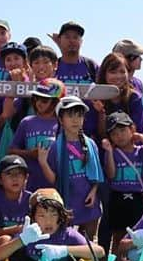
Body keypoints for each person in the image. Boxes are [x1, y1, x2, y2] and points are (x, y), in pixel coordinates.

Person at [0, 188, 104, 261]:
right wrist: (22, 240)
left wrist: (64, 250)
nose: (48, 221)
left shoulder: (67, 234)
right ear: (33, 217)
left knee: (87, 260)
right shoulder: (30, 233)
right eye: (42, 215)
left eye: (53, 214)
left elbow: (100, 251)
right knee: (13, 258)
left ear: (61, 216)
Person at [38, 95, 104, 241]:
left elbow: (97, 174)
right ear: (61, 120)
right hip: (67, 201)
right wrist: (43, 162)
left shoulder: (91, 144)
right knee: (66, 238)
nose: (75, 120)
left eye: (79, 116)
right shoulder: (55, 146)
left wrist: (93, 192)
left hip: (88, 200)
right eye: (70, 116)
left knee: (89, 238)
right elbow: (54, 180)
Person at [101, 111, 143, 253]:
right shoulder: (113, 153)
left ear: (131, 129)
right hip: (118, 197)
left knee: (140, 232)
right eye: (114, 134)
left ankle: (135, 260)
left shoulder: (140, 151)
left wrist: (140, 136)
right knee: (118, 235)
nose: (119, 136)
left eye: (122, 130)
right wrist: (108, 151)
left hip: (138, 197)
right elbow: (111, 174)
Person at [8, 78, 63, 192]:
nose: (39, 103)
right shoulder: (26, 122)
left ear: (56, 102)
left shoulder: (62, 124)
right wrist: (30, 154)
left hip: (55, 185)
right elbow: (11, 151)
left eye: (44, 100)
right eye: (36, 98)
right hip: (30, 185)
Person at [0, 154, 34, 243]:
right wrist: (18, 229)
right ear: (0, 179)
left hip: (26, 244)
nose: (15, 178)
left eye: (19, 173)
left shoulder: (31, 199)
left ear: (26, 178)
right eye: (9, 174)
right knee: (5, 239)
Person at [92, 52, 143, 138]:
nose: (118, 76)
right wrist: (101, 113)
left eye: (122, 72)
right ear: (104, 74)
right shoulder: (96, 98)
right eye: (113, 72)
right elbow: (100, 135)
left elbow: (138, 131)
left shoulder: (134, 98)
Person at [52, 21, 98, 90]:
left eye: (75, 37)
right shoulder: (53, 67)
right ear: (60, 40)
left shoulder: (91, 66)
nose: (71, 40)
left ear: (81, 41)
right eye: (67, 37)